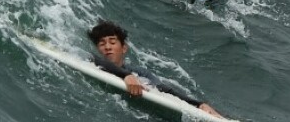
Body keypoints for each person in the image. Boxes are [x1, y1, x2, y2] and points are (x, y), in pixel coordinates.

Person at [87, 20, 224, 118]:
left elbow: (164, 89)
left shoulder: (139, 73)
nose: (108, 47)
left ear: (124, 48)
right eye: (101, 44)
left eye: (112, 42)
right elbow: (96, 60)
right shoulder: (92, 62)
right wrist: (126, 76)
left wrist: (199, 104)